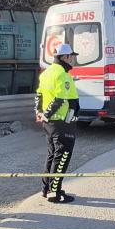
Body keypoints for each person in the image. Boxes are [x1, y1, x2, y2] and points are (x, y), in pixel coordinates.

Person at [35, 43, 80, 203]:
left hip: (50, 124)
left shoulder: (46, 73)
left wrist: (40, 113)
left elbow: (39, 95)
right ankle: (55, 193)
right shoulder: (62, 75)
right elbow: (59, 99)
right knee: (62, 156)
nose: (73, 60)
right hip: (61, 122)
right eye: (72, 56)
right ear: (65, 57)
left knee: (52, 154)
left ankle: (46, 189)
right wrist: (47, 114)